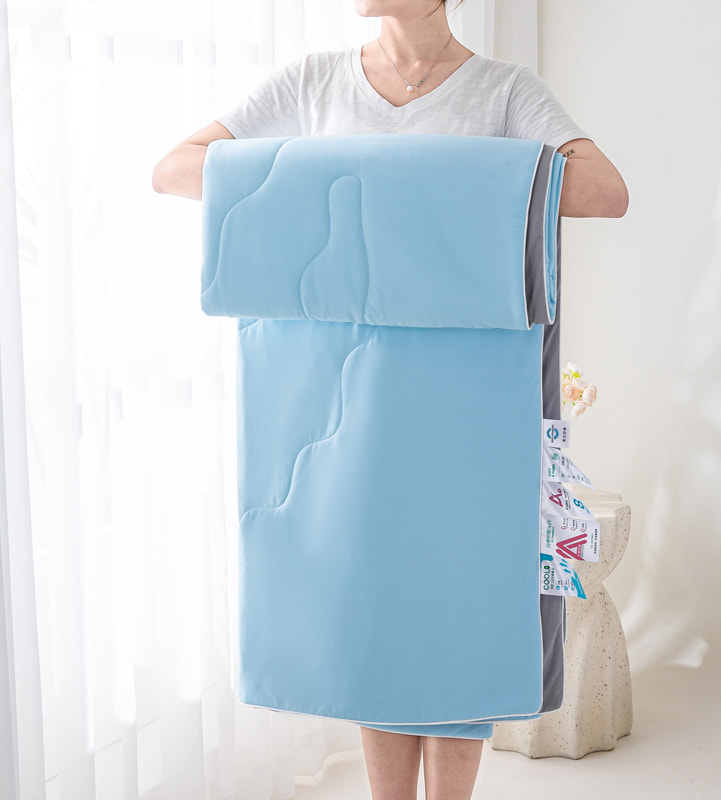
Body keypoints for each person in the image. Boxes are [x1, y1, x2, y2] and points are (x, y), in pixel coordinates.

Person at [153, 2, 628, 798]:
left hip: (468, 400)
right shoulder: (312, 82)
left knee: (458, 601)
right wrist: (355, 177)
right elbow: (175, 168)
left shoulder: (504, 91)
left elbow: (603, 191)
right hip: (352, 393)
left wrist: (417, 180)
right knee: (374, 610)